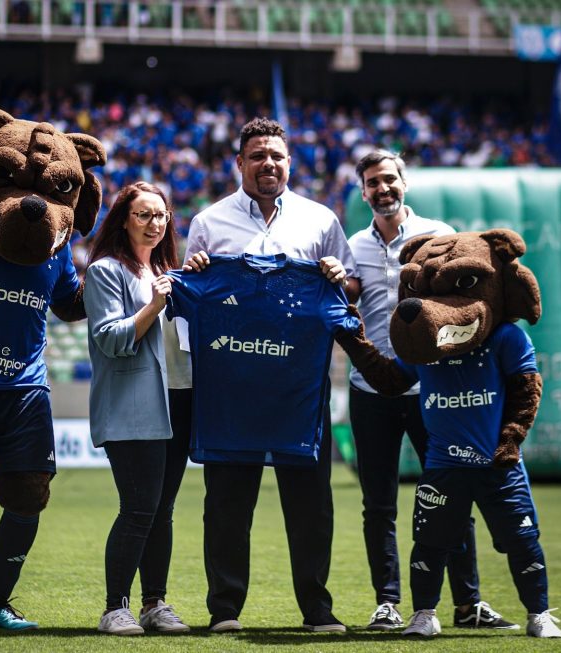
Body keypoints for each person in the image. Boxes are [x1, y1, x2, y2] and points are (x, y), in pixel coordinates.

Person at [183, 117, 357, 633]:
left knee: (310, 505)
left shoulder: (321, 221)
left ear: (291, 162)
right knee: (227, 505)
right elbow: (193, 297)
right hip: (231, 391)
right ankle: (225, 611)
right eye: (258, 155)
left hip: (300, 392)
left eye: (277, 155)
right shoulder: (209, 223)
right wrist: (197, 273)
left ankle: (317, 610)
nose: (269, 164)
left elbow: (347, 294)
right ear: (239, 162)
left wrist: (336, 278)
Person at [347, 149, 517, 631]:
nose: (383, 189)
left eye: (389, 179)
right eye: (373, 183)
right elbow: (346, 298)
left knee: (453, 494)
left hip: (431, 389)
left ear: (404, 182)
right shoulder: (352, 244)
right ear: (363, 192)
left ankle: (468, 604)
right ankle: (387, 602)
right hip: (370, 390)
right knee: (378, 504)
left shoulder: (440, 236)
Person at [84, 181, 190, 636]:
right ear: (124, 220)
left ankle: (155, 604)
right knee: (138, 509)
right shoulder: (105, 271)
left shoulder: (169, 270)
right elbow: (110, 339)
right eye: (143, 215)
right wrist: (155, 304)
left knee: (161, 511)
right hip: (132, 409)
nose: (154, 223)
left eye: (160, 215)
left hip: (178, 404)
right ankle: (115, 608)